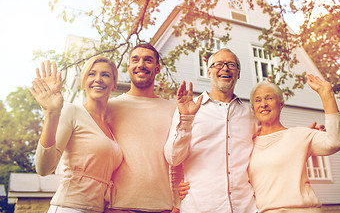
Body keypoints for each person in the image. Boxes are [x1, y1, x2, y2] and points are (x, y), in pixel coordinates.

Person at [164, 48, 258, 212]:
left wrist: (299, 136)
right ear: (209, 72)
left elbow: (269, 144)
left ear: (238, 73)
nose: (225, 68)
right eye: (218, 64)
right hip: (200, 207)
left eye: (231, 65)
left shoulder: (250, 114)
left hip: (246, 208)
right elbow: (173, 158)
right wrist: (186, 119)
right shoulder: (189, 109)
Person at [30, 57, 123, 213]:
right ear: (83, 82)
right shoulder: (71, 111)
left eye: (105, 75)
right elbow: (43, 168)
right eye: (91, 74)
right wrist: (51, 113)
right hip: (69, 207)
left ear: (114, 84)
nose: (98, 79)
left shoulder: (111, 128)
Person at [248, 75, 340, 212]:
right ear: (253, 108)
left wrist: (326, 94)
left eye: (269, 98)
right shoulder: (247, 145)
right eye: (258, 100)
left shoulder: (300, 135)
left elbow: (336, 141)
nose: (263, 104)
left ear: (281, 104)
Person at [105, 43, 181, 213]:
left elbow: (178, 160)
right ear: (129, 67)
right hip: (119, 207)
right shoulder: (110, 107)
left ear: (157, 68)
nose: (141, 64)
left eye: (148, 60)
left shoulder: (172, 109)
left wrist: (178, 204)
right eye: (135, 60)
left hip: (164, 207)